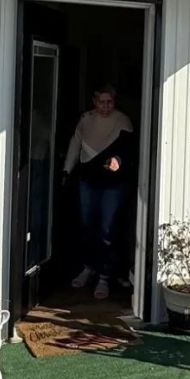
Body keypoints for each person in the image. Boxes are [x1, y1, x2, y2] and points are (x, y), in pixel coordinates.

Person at [62, 84, 134, 300]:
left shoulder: (123, 121)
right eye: (101, 102)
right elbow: (76, 144)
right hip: (88, 180)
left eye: (109, 102)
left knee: (107, 229)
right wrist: (67, 169)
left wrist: (118, 161)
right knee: (87, 225)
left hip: (113, 184)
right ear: (95, 102)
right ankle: (88, 267)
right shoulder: (86, 120)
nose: (105, 106)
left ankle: (105, 275)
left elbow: (129, 149)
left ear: (115, 101)